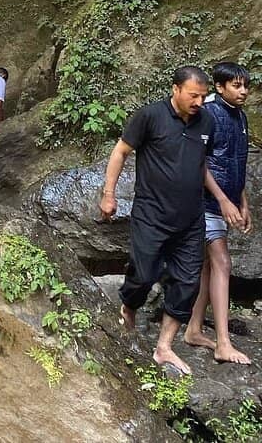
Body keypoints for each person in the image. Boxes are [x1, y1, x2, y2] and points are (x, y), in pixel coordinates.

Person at [100, 65, 245, 375]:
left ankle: (164, 347)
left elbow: (200, 164)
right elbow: (121, 151)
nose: (199, 102)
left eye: (203, 96)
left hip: (191, 218)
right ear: (175, 90)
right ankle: (129, 304)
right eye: (193, 95)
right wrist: (109, 194)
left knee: (188, 281)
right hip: (152, 213)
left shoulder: (205, 120)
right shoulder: (150, 116)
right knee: (145, 272)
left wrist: (222, 198)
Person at [184, 62, 253, 364]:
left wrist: (242, 202)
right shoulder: (207, 114)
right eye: (237, 86)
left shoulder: (240, 117)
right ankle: (223, 343)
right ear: (220, 87)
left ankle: (194, 329)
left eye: (246, 86)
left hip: (224, 199)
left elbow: (237, 162)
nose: (244, 91)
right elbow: (198, 162)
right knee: (222, 262)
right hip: (202, 200)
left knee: (210, 267)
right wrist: (224, 201)